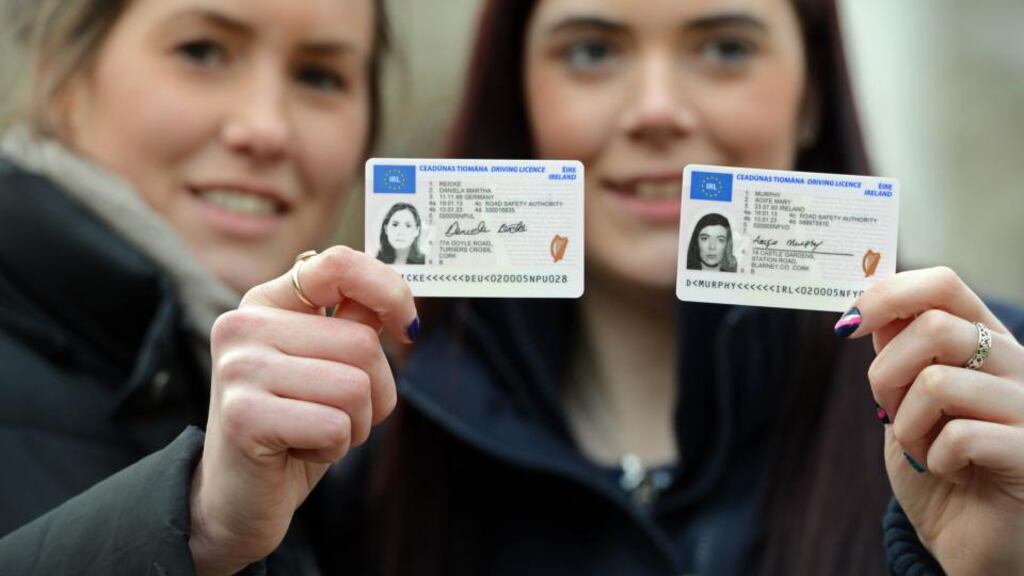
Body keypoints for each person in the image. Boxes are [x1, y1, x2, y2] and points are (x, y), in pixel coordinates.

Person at [312, 0, 1024, 575]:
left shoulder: (990, 405)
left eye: (725, 48)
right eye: (592, 50)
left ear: (810, 97)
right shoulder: (362, 434)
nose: (656, 109)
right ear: (519, 98)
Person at [0, 0, 417, 573]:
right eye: (202, 51)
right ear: (63, 72)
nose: (266, 129)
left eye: (319, 76)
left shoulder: (384, 422)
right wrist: (193, 525)